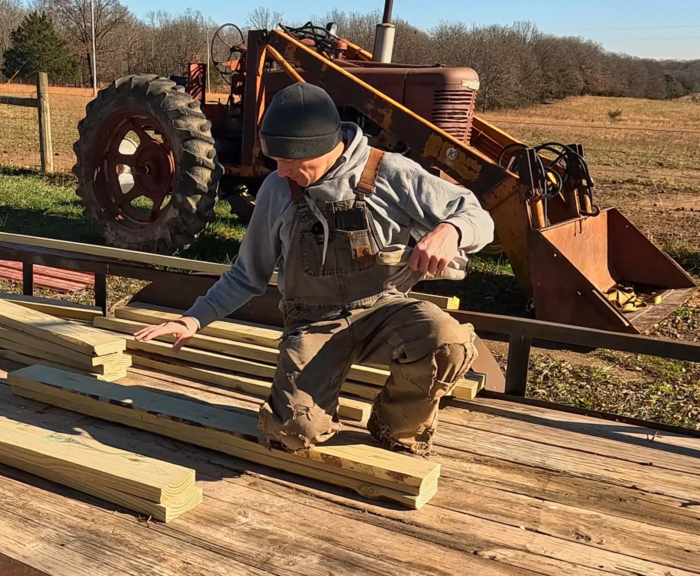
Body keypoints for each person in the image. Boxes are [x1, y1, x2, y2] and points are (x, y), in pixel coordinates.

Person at [135, 82, 495, 457]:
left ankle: (395, 426)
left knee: (447, 342)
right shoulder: (278, 189)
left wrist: (451, 230)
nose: (282, 172)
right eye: (276, 161)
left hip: (382, 311)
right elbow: (245, 275)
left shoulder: (391, 174)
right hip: (313, 321)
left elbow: (478, 217)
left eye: (292, 162)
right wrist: (193, 319)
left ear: (325, 146)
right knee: (293, 432)